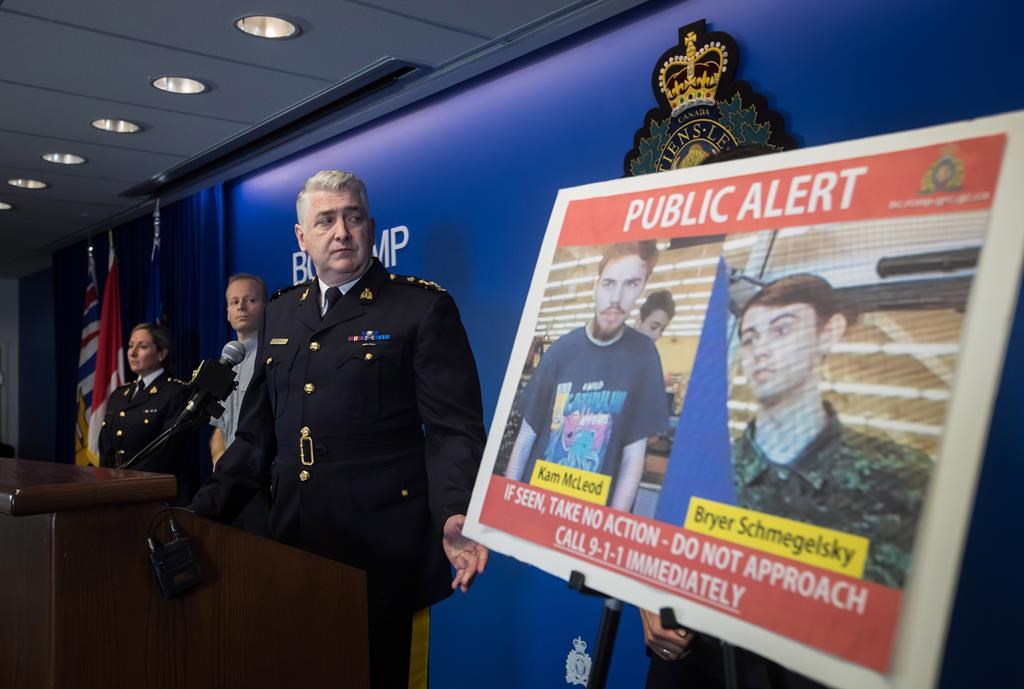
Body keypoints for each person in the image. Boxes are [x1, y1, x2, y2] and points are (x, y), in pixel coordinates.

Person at [190, 170, 488, 689]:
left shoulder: (419, 307)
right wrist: (199, 513)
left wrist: (457, 508)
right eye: (325, 221)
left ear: (371, 227)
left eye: (352, 217)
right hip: (293, 549)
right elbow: (258, 438)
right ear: (302, 238)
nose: (341, 232)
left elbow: (453, 428)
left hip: (384, 556)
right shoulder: (280, 314)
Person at [732, 273, 933, 588]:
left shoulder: (903, 478)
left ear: (828, 334)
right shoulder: (716, 469)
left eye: (782, 329)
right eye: (750, 338)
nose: (761, 350)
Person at [504, 241, 669, 512]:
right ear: (597, 284)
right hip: (536, 506)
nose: (616, 297)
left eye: (630, 284)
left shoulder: (643, 356)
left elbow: (633, 456)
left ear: (642, 287)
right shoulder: (561, 350)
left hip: (590, 516)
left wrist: (611, 525)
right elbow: (526, 436)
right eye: (609, 283)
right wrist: (508, 503)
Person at [99, 323, 195, 504]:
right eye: (130, 345)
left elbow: (167, 452)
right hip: (115, 491)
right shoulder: (118, 395)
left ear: (161, 354)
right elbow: (106, 447)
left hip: (153, 494)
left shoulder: (176, 393)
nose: (132, 353)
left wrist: (126, 482)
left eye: (142, 347)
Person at [209, 273, 267, 465]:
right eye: (234, 302)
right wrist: (218, 457)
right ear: (227, 312)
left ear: (266, 307)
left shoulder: (272, 359)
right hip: (228, 475)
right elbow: (219, 427)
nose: (241, 307)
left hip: (261, 472)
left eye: (250, 300)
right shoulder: (223, 362)